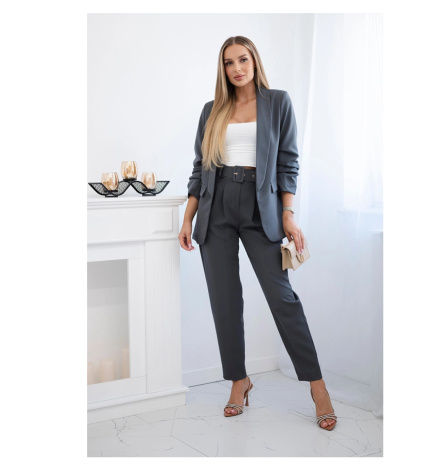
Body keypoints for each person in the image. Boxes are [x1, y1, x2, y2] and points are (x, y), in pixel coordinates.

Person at [179, 36, 337, 431]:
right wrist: (187, 218)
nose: (236, 68)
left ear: (254, 61)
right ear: (223, 68)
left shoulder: (277, 103)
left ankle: (317, 385)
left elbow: (288, 163)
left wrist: (288, 214)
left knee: (282, 298)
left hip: (260, 207)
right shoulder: (212, 110)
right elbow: (200, 167)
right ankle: (239, 381)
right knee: (224, 301)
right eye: (229, 62)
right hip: (215, 208)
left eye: (242, 59)